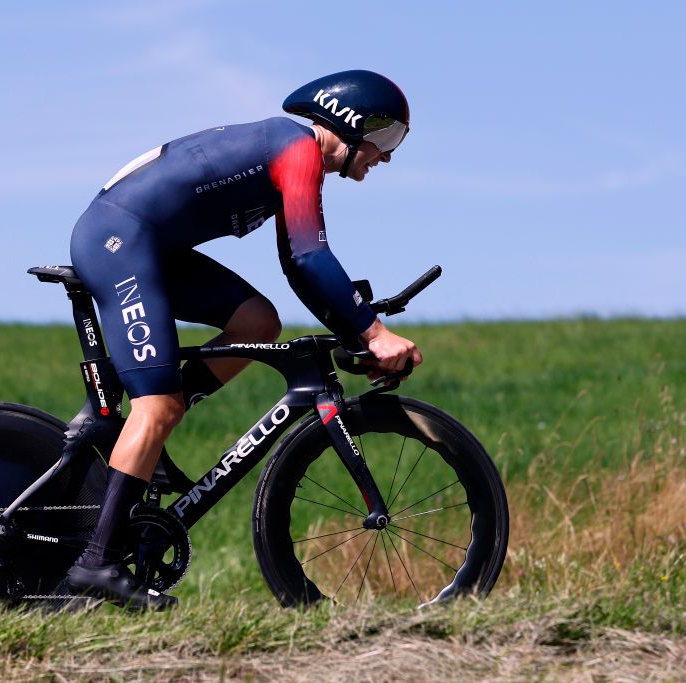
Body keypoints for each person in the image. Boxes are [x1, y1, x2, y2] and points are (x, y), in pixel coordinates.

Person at [66, 70, 423, 610]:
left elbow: (300, 266)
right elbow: (310, 258)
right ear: (352, 122)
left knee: (258, 323)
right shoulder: (297, 149)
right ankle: (97, 564)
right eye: (387, 139)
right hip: (119, 241)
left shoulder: (291, 156)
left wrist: (359, 324)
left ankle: (138, 428)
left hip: (147, 246)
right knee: (155, 406)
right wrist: (372, 333)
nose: (387, 156)